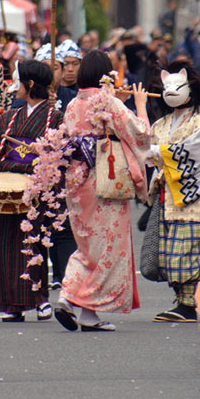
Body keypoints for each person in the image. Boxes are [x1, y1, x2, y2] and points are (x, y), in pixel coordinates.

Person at [52, 51, 151, 333]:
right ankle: (73, 299)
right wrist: (140, 105)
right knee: (109, 248)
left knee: (86, 248)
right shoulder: (106, 101)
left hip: (77, 183)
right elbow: (140, 134)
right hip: (104, 182)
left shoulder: (73, 103)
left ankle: (84, 311)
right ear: (106, 75)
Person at [0, 60, 63, 322]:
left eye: (19, 82)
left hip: (34, 188)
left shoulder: (55, 118)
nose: (15, 88)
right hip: (7, 186)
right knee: (5, 245)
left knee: (32, 243)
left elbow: (62, 154)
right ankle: (11, 304)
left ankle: (40, 299)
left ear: (30, 84)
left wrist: (45, 153)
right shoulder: (12, 117)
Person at [148, 62, 200, 322]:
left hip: (195, 195)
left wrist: (161, 153)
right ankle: (182, 300)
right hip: (167, 195)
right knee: (168, 250)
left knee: (185, 249)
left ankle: (187, 303)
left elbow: (196, 150)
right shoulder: (161, 123)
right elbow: (147, 149)